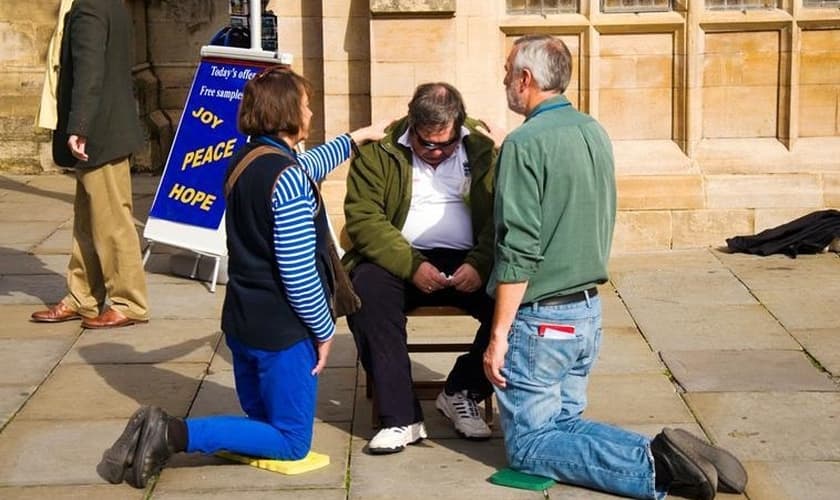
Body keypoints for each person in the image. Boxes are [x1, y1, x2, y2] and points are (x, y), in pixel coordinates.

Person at [482, 35, 747, 500]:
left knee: (529, 445)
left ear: (526, 79)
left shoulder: (524, 144)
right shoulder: (593, 130)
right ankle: (671, 453)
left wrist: (499, 336)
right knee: (563, 423)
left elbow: (518, 248)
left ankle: (657, 468)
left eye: (508, 71)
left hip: (543, 320)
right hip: (586, 314)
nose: (504, 79)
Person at [98, 66, 387, 489]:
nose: (311, 113)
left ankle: (154, 433)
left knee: (262, 423)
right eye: (307, 106)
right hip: (282, 334)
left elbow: (300, 164)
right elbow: (298, 271)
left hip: (241, 324)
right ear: (290, 113)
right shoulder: (287, 179)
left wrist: (354, 138)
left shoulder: (245, 161)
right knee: (291, 442)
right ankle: (171, 433)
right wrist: (324, 332)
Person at [343, 82, 497, 453]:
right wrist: (412, 264)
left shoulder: (484, 149)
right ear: (412, 125)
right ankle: (400, 418)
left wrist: (479, 263)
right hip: (400, 256)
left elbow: (505, 216)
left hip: (468, 258)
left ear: (459, 127)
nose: (436, 151)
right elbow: (364, 219)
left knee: (520, 303)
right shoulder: (378, 150)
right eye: (426, 143)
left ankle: (463, 390)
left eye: (446, 143)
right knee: (365, 294)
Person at [30, 0, 149, 329]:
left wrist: (79, 126)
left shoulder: (90, 7)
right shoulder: (108, 4)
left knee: (112, 222)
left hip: (100, 132)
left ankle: (129, 302)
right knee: (88, 220)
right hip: (106, 128)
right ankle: (81, 296)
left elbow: (90, 70)